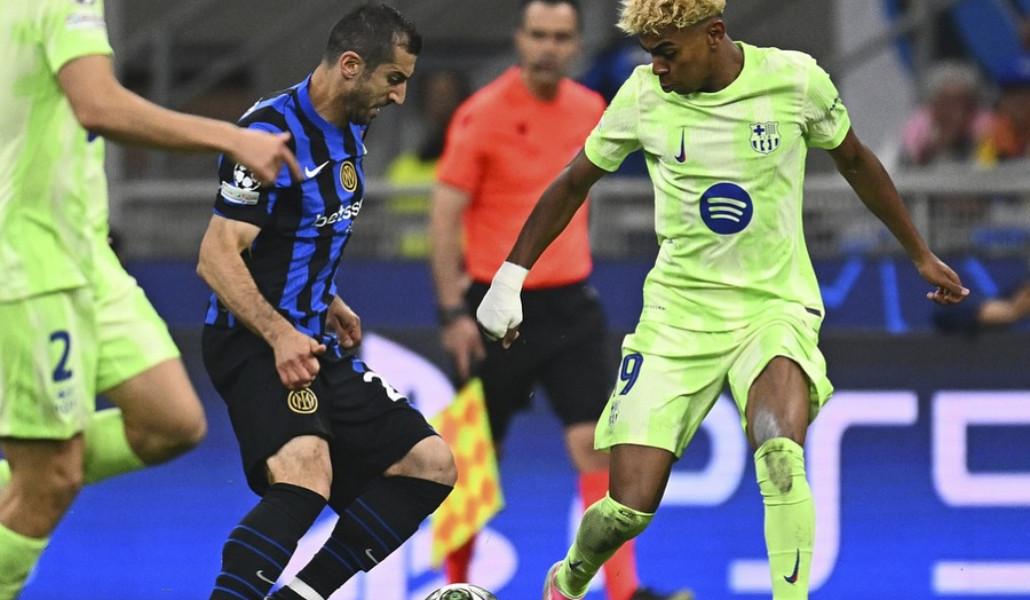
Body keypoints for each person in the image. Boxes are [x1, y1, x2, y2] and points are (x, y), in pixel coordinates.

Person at [473, 1, 970, 599]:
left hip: (773, 307)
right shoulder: (642, 97)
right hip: (677, 317)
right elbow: (575, 180)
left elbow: (857, 161)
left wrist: (919, 252)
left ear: (713, 35)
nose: (656, 67)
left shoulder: (795, 81)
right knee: (628, 508)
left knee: (780, 454)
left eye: (666, 53)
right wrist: (510, 276)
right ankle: (571, 575)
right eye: (650, 54)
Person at [0, 1, 301, 597]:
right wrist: (232, 137)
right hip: (31, 266)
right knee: (53, 480)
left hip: (85, 255)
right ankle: (33, 479)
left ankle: (27, 471)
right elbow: (98, 105)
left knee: (171, 422)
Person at [429, 2, 690, 599]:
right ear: (519, 39)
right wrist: (452, 312)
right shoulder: (482, 114)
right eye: (539, 35)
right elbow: (444, 215)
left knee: (595, 446)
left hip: (569, 303)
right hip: (492, 307)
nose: (548, 47)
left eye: (561, 37)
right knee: (470, 457)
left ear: (576, 46)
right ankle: (456, 588)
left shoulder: (590, 107)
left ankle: (622, 592)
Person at [196, 5, 456, 600]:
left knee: (429, 464)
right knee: (306, 473)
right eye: (394, 79)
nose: (400, 96)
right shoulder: (269, 135)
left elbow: (292, 228)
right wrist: (279, 333)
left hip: (311, 338)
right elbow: (216, 255)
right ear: (351, 65)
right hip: (253, 339)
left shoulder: (353, 124)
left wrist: (327, 295)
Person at [385, 69, 469, 257]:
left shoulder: (478, 166)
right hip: (411, 263)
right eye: (435, 96)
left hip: (465, 260)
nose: (442, 103)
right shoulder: (403, 169)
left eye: (447, 95)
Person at [900, 61, 992, 167]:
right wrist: (938, 145)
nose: (952, 111)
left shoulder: (985, 133)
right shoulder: (916, 135)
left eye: (959, 102)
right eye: (945, 102)